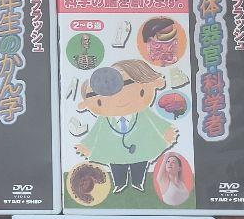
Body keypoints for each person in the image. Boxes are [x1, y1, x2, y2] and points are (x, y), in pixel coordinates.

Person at [74, 61, 178, 194]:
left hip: (140, 147)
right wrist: (87, 145)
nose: (120, 100)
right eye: (100, 101)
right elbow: (94, 133)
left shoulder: (143, 113)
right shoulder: (104, 119)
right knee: (117, 167)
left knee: (139, 165)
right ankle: (120, 184)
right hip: (115, 151)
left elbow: (157, 122)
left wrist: (166, 131)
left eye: (140, 92)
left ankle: (138, 183)